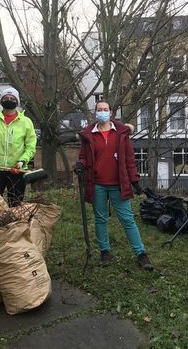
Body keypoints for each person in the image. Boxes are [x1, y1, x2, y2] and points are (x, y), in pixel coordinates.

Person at [75, 101, 154, 271]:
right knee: (100, 219)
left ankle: (141, 254)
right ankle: (105, 252)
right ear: (95, 112)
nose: (102, 112)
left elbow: (129, 159)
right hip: (97, 184)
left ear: (111, 112)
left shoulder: (121, 133)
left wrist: (135, 181)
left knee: (127, 219)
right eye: (99, 110)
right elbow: (83, 157)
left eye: (105, 109)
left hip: (118, 184)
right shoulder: (88, 135)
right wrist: (80, 165)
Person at [0, 87, 37, 206]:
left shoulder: (26, 122)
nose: (9, 100)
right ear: (1, 101)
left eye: (12, 98)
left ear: (17, 102)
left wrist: (22, 161)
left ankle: (14, 224)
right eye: (6, 98)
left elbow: (30, 147)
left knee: (15, 205)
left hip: (16, 171)